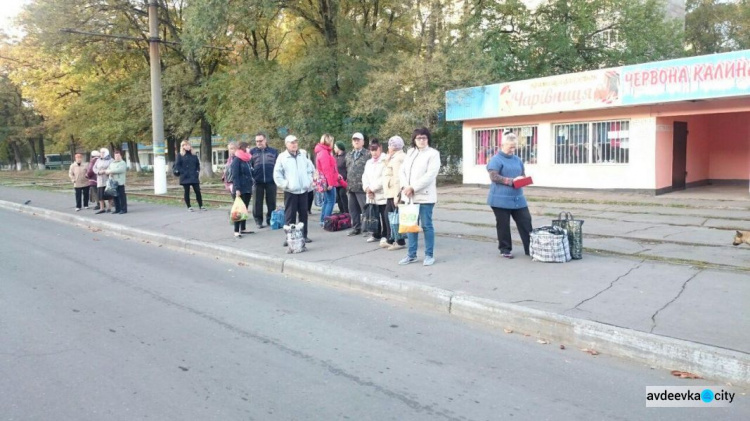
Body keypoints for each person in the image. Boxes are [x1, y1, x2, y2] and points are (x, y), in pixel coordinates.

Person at [398, 127, 440, 266]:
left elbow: (430, 175)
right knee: (410, 226)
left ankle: (429, 255)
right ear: (414, 140)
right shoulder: (410, 152)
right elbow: (402, 171)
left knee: (426, 226)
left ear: (428, 139)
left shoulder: (433, 154)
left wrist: (413, 187)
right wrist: (405, 187)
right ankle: (411, 255)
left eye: (424, 138)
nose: (421, 140)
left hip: (425, 196)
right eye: (418, 138)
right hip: (409, 196)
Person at [487, 132, 533, 259]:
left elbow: (522, 174)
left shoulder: (517, 159)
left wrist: (523, 179)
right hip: (499, 199)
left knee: (526, 221)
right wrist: (512, 181)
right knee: (503, 224)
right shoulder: (496, 159)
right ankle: (505, 249)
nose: (513, 149)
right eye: (510, 146)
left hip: (518, 198)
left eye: (514, 146)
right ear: (502, 145)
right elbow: (494, 176)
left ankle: (531, 248)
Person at [273, 135, 315, 244]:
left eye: (295, 142)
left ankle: (303, 236)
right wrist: (286, 185)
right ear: (286, 144)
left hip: (303, 190)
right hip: (291, 191)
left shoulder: (302, 156)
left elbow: (310, 169)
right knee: (290, 216)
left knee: (303, 215)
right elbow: (277, 174)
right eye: (291, 143)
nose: (294, 145)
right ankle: (289, 237)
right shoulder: (282, 157)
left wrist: (308, 181)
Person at [382, 135, 407, 250]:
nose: (388, 147)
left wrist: (397, 196)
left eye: (389, 145)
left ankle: (400, 241)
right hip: (390, 192)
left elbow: (397, 178)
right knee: (390, 216)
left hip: (394, 193)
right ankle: (391, 239)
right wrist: (387, 161)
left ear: (394, 147)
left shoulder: (398, 158)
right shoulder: (394, 157)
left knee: (395, 217)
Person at [361, 139, 387, 245]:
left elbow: (384, 178)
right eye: (372, 150)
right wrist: (367, 188)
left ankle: (385, 235)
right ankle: (376, 234)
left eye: (375, 150)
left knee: (384, 216)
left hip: (382, 193)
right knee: (373, 215)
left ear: (380, 148)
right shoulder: (369, 162)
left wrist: (372, 188)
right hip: (371, 194)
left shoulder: (385, 160)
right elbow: (365, 176)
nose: (374, 152)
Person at [250, 133, 278, 229]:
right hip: (257, 181)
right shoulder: (252, 152)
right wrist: (252, 178)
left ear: (265, 140)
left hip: (271, 180)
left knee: (271, 201)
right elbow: (249, 167)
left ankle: (270, 219)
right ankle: (258, 220)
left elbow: (278, 166)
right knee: (257, 202)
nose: (259, 143)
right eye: (257, 141)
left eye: (260, 141)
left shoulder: (274, 151)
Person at [345, 132, 371, 236]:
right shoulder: (349, 155)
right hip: (351, 186)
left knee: (365, 208)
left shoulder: (367, 154)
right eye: (354, 140)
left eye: (358, 140)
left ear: (363, 142)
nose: (356, 141)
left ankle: (367, 228)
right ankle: (356, 227)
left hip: (362, 186)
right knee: (353, 209)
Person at [314, 133, 341, 226]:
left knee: (326, 201)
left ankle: (323, 219)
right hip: (328, 180)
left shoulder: (321, 151)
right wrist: (330, 183)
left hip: (324, 180)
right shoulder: (325, 153)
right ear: (329, 141)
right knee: (331, 201)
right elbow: (327, 169)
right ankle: (326, 221)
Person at [231, 141, 254, 238]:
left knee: (245, 209)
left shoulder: (247, 159)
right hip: (240, 188)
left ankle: (243, 228)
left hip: (248, 187)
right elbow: (235, 176)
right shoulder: (237, 160)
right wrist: (237, 189)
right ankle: (236, 230)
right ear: (243, 148)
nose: (248, 149)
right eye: (247, 147)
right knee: (239, 210)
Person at [174, 140, 205, 211]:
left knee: (197, 191)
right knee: (187, 191)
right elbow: (177, 165)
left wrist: (197, 171)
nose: (187, 146)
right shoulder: (180, 155)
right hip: (185, 176)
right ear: (182, 147)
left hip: (194, 176)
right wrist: (183, 172)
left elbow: (197, 164)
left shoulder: (194, 155)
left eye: (188, 145)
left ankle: (201, 205)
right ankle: (189, 206)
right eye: (185, 145)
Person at [105, 149, 128, 214]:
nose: (117, 157)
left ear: (120, 156)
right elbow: (107, 170)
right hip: (113, 182)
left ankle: (123, 209)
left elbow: (120, 170)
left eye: (118, 156)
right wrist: (108, 171)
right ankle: (117, 209)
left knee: (121, 197)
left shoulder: (122, 163)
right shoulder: (112, 163)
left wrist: (111, 171)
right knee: (115, 196)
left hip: (120, 182)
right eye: (116, 156)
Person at [93, 148, 114, 214]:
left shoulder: (111, 160)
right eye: (100, 152)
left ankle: (109, 208)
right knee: (100, 195)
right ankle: (102, 208)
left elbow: (112, 167)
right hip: (100, 179)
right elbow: (94, 168)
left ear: (106, 153)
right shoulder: (98, 160)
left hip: (108, 178)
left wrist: (105, 171)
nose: (101, 154)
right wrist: (98, 172)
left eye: (102, 152)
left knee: (109, 194)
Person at [334, 141, 349, 213]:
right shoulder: (335, 157)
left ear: (339, 148)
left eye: (335, 147)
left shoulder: (346, 156)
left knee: (343, 195)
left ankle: (347, 212)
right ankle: (342, 212)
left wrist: (347, 179)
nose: (334, 148)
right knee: (338, 198)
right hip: (336, 181)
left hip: (344, 180)